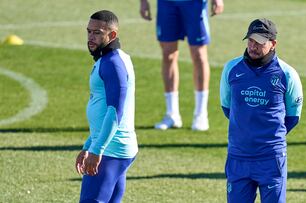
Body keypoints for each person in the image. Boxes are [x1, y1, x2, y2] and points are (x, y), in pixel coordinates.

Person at [220, 18, 303, 203]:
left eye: (259, 42)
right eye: (250, 40)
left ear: (273, 44)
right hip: (238, 156)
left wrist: (267, 139)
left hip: (271, 158)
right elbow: (227, 108)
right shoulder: (231, 69)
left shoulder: (287, 74)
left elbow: (293, 117)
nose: (253, 46)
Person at [75, 10, 138, 203]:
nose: (90, 38)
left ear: (111, 35)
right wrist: (88, 145)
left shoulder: (113, 64)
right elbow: (104, 112)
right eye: (89, 32)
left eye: (97, 33)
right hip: (113, 148)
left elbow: (115, 112)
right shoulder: (111, 59)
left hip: (111, 150)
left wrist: (97, 149)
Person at [140, 0, 224, 131]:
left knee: (199, 54)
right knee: (168, 54)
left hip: (195, 4)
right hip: (167, 3)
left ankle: (201, 114)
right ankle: (172, 114)